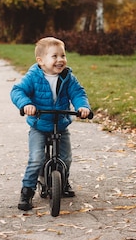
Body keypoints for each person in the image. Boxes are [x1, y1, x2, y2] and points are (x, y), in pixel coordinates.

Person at [10, 37, 91, 211]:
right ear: (40, 61)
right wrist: (26, 104)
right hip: (39, 124)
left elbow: (78, 93)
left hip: (60, 123)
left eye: (63, 55)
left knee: (66, 158)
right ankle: (28, 190)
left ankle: (62, 181)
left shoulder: (67, 77)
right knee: (36, 159)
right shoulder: (33, 76)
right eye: (54, 56)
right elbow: (18, 91)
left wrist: (82, 107)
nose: (60, 60)